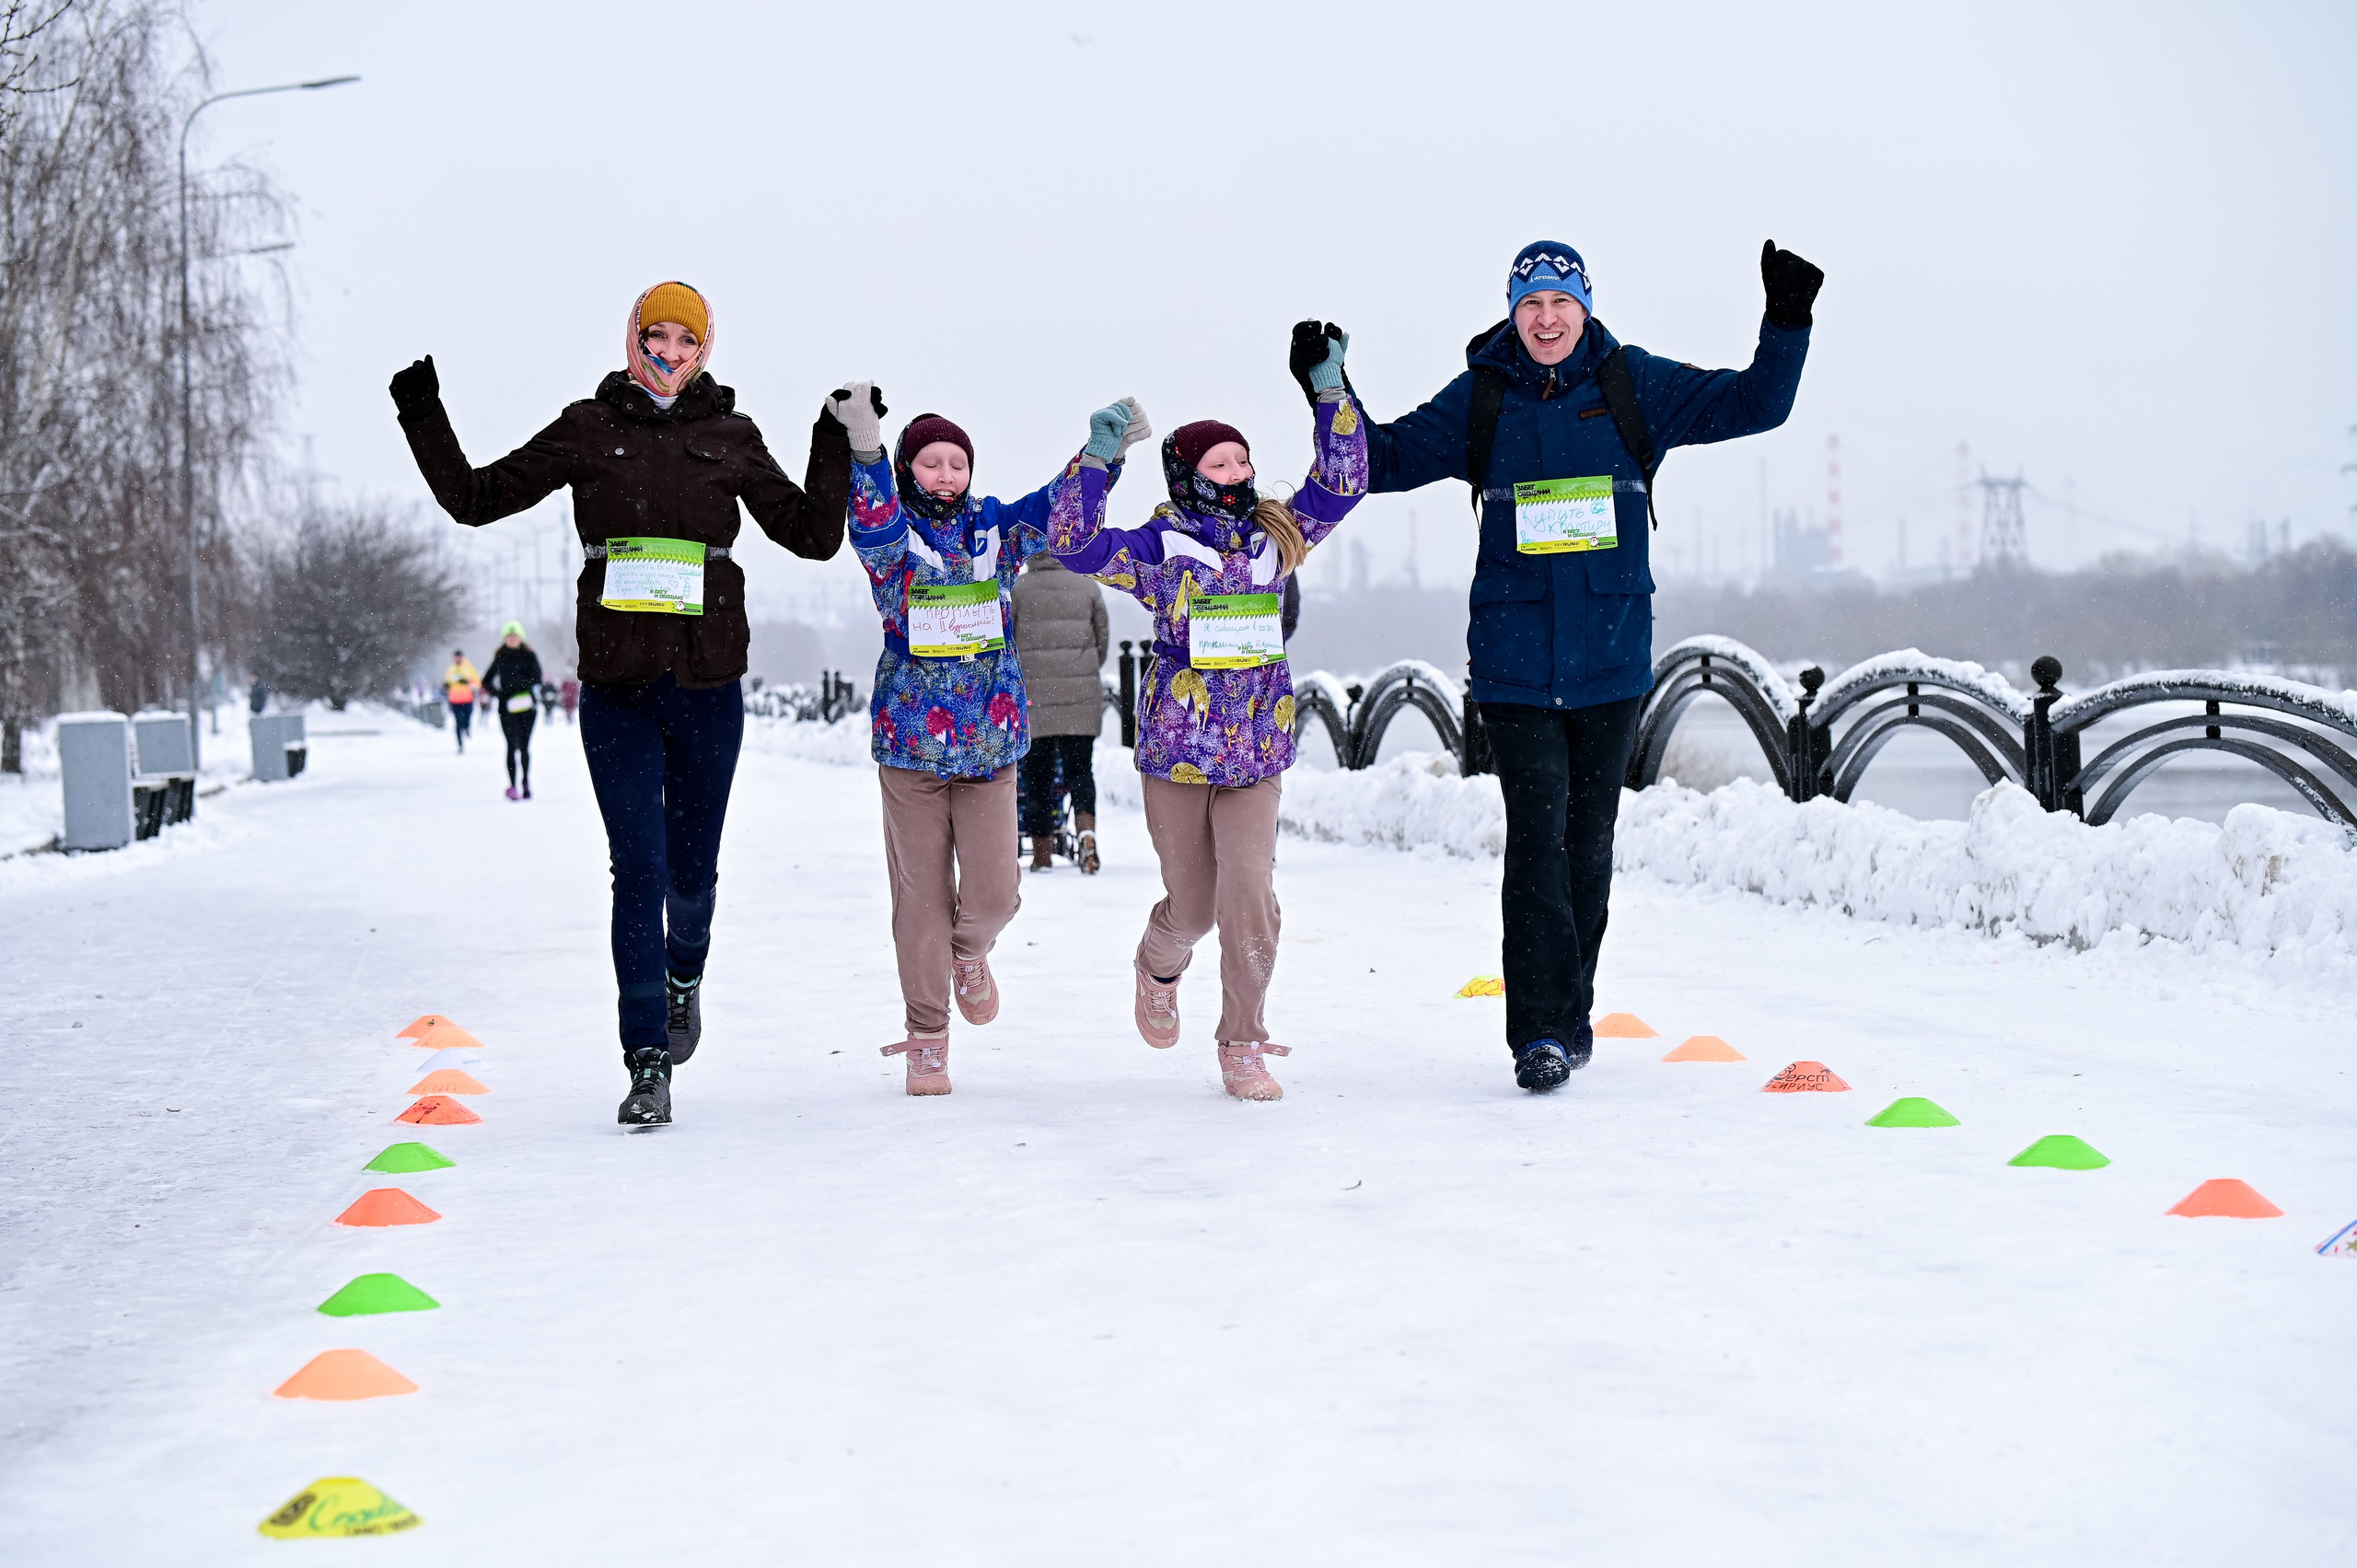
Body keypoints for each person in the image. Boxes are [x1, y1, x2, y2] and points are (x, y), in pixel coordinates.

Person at [1333, 238, 1820, 1093]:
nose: (1546, 319)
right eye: (1531, 306)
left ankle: (1572, 1012)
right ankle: (1540, 1034)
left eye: (1560, 303)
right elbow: (1379, 462)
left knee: (1587, 846)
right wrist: (1331, 393)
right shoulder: (1483, 395)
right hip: (1515, 667)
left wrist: (1786, 319)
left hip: (1610, 664)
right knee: (1536, 845)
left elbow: (1757, 403)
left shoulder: (1635, 385)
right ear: (1512, 314)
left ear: (1585, 306)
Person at [391, 280, 855, 1125]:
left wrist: (833, 437)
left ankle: (685, 979)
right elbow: (474, 497)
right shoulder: (587, 427)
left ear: (704, 349)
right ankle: (647, 1059)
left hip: (709, 686)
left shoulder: (733, 436)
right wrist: (422, 412)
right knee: (636, 870)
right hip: (617, 690)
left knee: (692, 872)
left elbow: (816, 536)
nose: (668, 352)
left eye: (686, 339)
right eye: (656, 335)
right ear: (632, 339)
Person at [1051, 334, 1366, 1101]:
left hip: (1257, 747)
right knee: (1194, 905)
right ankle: (1159, 961)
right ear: (1187, 475)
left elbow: (1345, 480)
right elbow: (1074, 541)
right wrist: (1098, 461)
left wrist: (1332, 392)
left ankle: (1242, 1042)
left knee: (1249, 897)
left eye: (1243, 461)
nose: (1238, 474)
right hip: (1180, 750)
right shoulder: (1162, 546)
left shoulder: (1275, 539)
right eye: (1220, 464)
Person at [842, 391, 1139, 1095]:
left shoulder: (995, 532)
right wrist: (866, 449)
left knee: (998, 893)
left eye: (957, 463)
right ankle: (926, 1037)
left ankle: (968, 954)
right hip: (911, 745)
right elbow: (873, 521)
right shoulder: (895, 541)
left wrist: (1101, 457)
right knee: (918, 901)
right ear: (911, 470)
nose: (946, 474)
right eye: (931, 462)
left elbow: (1055, 513)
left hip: (990, 740)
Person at [1010, 551, 1109, 874]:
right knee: (1081, 771)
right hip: (1080, 695)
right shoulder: (1088, 586)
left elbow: (1007, 641)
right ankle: (1086, 836)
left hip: (1034, 697)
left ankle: (1041, 852)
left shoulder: (1018, 589)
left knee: (1037, 776)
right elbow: (1102, 642)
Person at [480, 621, 544, 800]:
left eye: (515, 636)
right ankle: (513, 785)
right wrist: (499, 694)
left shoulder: (530, 655)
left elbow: (537, 677)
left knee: (524, 747)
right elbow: (486, 681)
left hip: (527, 707)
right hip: (507, 708)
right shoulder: (500, 657)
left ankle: (525, 782)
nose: (512, 639)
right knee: (510, 746)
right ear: (504, 639)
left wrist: (521, 686)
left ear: (521, 638)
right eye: (509, 637)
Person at [442, 650, 481, 752]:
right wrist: (446, 686)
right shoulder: (450, 670)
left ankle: (466, 728)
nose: (457, 658)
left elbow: (477, 683)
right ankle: (460, 745)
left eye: (459, 656)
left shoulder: (469, 668)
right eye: (456, 657)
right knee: (458, 722)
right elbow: (446, 683)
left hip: (467, 699)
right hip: (455, 700)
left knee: (467, 718)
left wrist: (467, 682)